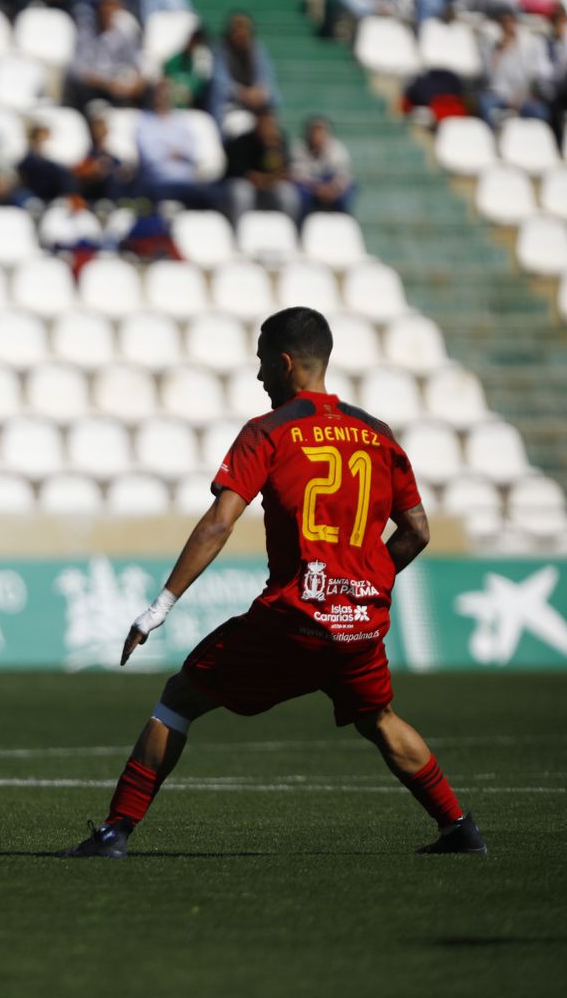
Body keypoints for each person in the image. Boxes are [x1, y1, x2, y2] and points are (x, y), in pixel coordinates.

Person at [60, 306, 486, 858]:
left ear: (285, 363)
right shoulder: (378, 434)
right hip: (358, 625)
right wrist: (366, 580)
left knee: (178, 698)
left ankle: (115, 832)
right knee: (379, 718)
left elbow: (219, 522)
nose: (260, 377)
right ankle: (458, 828)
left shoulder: (268, 431)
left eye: (263, 364)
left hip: (294, 619)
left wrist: (161, 605)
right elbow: (417, 531)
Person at [136, 80, 218, 210]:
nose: (163, 98)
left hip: (187, 182)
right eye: (159, 94)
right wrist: (175, 151)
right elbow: (150, 156)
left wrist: (164, 148)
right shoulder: (144, 122)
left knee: (214, 198)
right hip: (158, 183)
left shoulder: (182, 121)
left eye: (166, 94)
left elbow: (191, 151)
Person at [223, 108, 302, 223]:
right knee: (241, 193)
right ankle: (237, 233)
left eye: (271, 124)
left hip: (268, 187)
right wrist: (269, 179)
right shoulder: (242, 142)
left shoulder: (279, 141)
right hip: (244, 185)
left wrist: (272, 150)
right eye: (265, 123)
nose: (268, 127)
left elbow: (284, 173)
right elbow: (248, 176)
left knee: (287, 194)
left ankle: (290, 234)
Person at [207, 12, 279, 121]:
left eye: (244, 29)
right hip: (231, 101)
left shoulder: (257, 49)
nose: (240, 33)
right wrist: (242, 94)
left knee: (273, 95)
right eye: (237, 29)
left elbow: (266, 77)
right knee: (217, 93)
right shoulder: (220, 50)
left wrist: (257, 92)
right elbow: (219, 82)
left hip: (253, 99)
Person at [291, 116, 356, 217]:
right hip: (309, 187)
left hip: (331, 185)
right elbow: (298, 176)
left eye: (322, 131)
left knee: (349, 190)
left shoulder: (337, 148)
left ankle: (343, 223)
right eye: (315, 132)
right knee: (298, 194)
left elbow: (343, 175)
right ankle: (301, 228)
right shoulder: (299, 148)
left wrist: (332, 189)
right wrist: (318, 189)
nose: (318, 136)